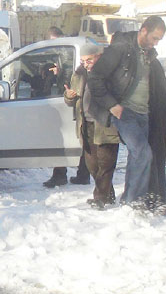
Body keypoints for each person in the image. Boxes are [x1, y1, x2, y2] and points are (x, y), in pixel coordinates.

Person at [88, 16, 166, 212]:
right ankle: (134, 200)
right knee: (143, 153)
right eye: (154, 38)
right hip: (125, 112)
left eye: (159, 40)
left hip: (144, 113)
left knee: (137, 156)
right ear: (143, 31)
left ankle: (130, 199)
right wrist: (112, 105)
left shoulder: (148, 54)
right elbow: (95, 78)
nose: (156, 43)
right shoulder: (121, 49)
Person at [64, 41, 119, 209]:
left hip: (105, 124)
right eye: (83, 61)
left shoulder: (110, 74)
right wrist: (69, 96)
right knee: (92, 165)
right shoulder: (79, 74)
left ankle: (100, 198)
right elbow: (69, 101)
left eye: (89, 60)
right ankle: (108, 194)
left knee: (106, 163)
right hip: (86, 124)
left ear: (99, 57)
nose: (85, 64)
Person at [42, 26, 90, 188]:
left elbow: (70, 79)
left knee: (68, 139)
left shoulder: (66, 53)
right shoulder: (64, 51)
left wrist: (59, 73)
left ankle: (62, 174)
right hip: (68, 99)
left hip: (70, 99)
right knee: (80, 139)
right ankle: (81, 174)